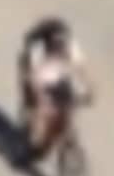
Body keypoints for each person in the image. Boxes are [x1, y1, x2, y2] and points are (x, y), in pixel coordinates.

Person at [18, 16, 91, 162]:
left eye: (61, 47)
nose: (59, 50)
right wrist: (41, 100)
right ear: (49, 45)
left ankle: (56, 134)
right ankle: (34, 143)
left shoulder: (70, 46)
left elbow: (81, 69)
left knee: (66, 110)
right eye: (55, 47)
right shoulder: (36, 50)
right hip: (38, 78)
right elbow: (32, 78)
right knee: (39, 109)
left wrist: (90, 88)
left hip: (58, 78)